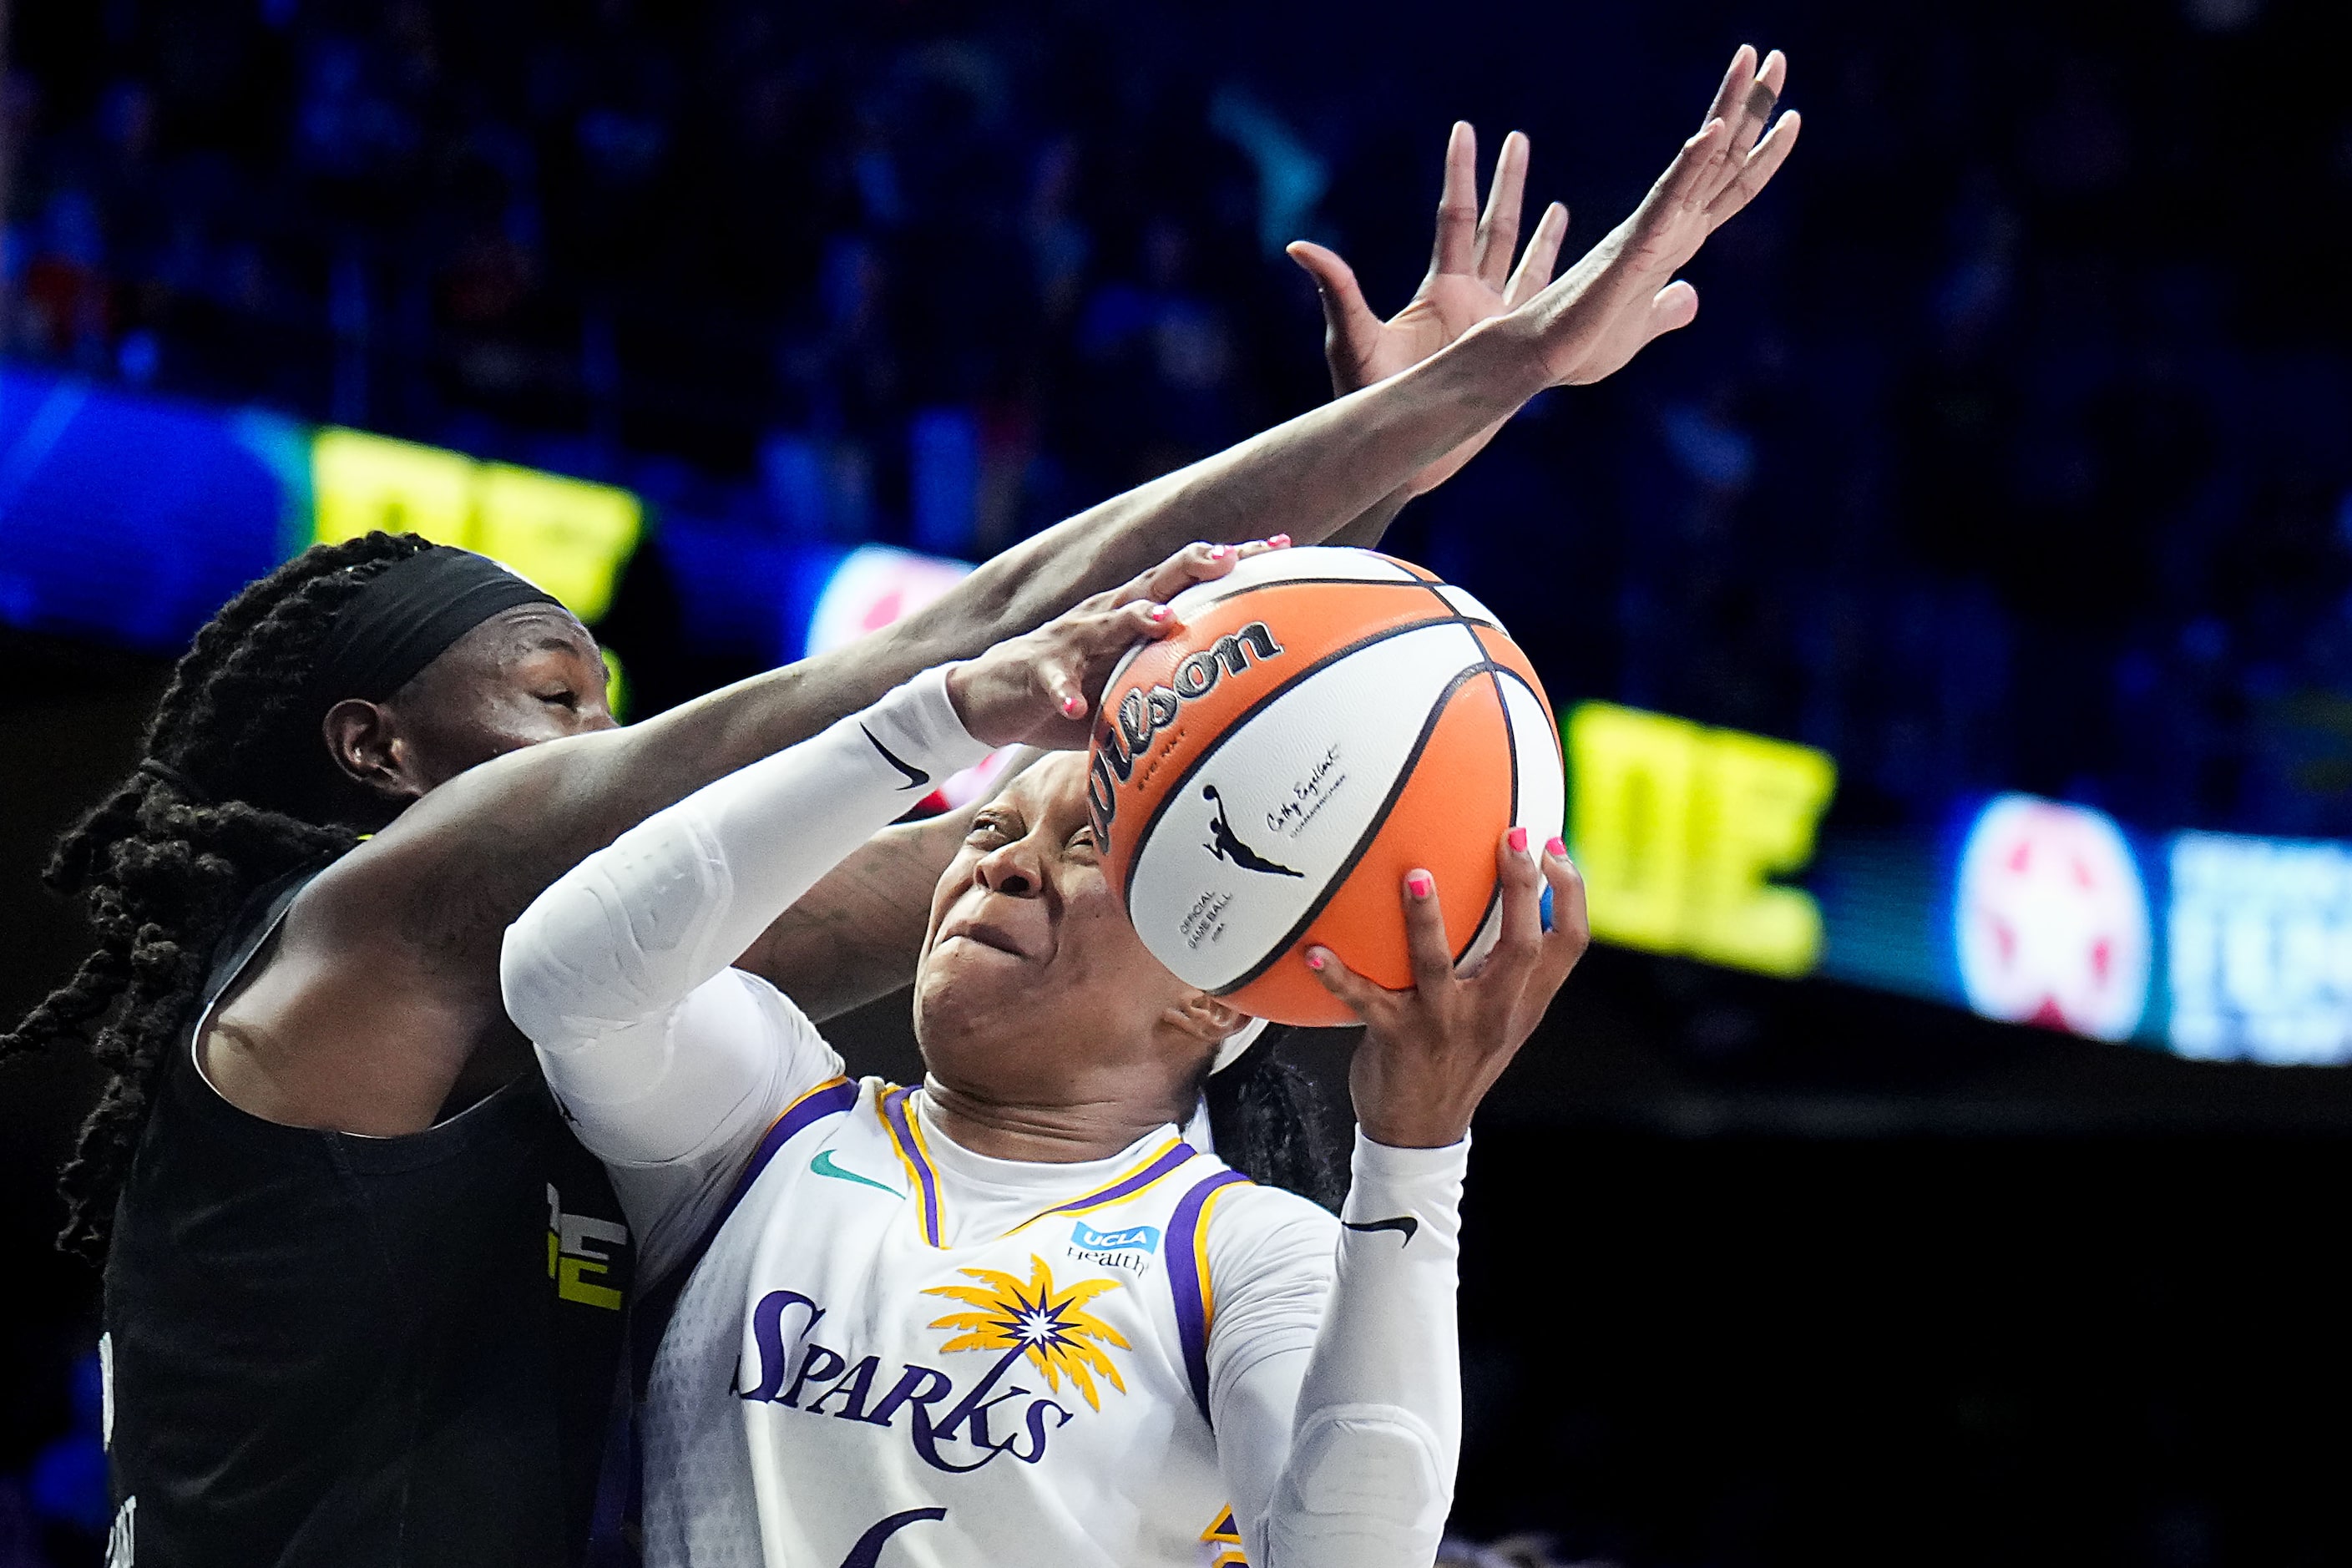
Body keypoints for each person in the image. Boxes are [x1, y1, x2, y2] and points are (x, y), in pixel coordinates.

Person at [0, 45, 1794, 1568]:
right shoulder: (375, 939)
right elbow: (972, 652)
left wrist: (1367, 513)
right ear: (379, 750)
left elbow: (1164, 824)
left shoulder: (658, 1038)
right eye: (559, 708)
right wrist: (1488, 382)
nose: (612, 745)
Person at [500, 561, 1590, 1567]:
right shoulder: (768, 1123)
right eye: (985, 830)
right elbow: (563, 974)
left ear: (1211, 991)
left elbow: (1349, 1555)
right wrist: (941, 713)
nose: (1006, 866)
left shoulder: (1246, 1253)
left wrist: (1414, 1148)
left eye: (1081, 846)